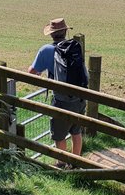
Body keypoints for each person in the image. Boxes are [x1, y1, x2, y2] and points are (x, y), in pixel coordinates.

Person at [28, 18, 86, 167]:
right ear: (66, 31)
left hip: (61, 99)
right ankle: (75, 163)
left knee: (59, 134)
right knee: (76, 130)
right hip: (79, 97)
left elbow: (32, 72)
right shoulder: (75, 47)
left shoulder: (46, 50)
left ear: (51, 34)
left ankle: (61, 164)